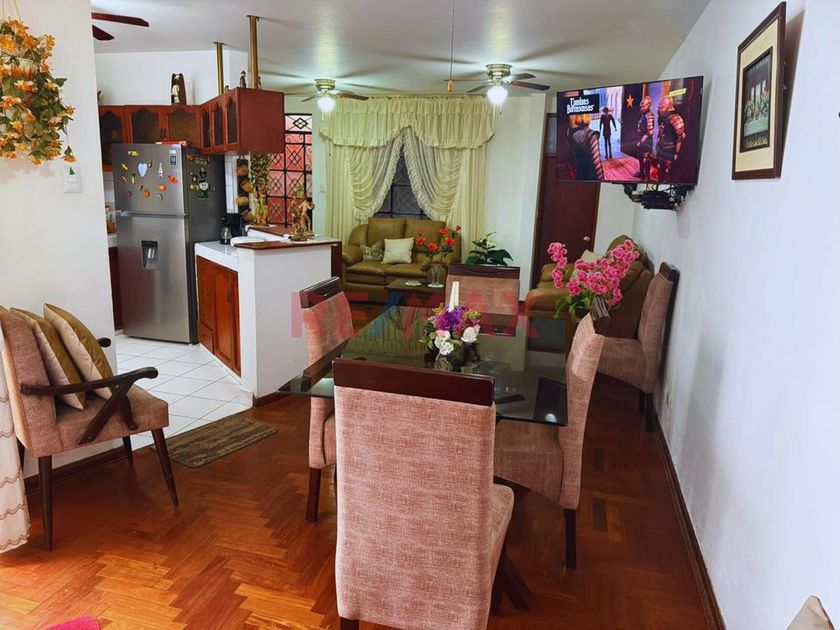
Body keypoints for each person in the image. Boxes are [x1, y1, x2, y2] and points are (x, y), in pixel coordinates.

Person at [654, 96, 686, 182]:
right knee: (660, 170)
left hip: (670, 152)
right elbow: (661, 134)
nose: (660, 105)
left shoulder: (675, 118)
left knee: (669, 174)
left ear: (669, 106)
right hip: (661, 150)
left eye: (663, 103)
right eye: (660, 103)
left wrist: (677, 153)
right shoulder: (661, 118)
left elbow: (681, 136)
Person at [566, 114, 604, 181]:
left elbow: (570, 160)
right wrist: (602, 180)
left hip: (579, 176)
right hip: (591, 176)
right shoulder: (591, 134)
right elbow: (597, 162)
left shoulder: (571, 134)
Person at [634, 96, 655, 179]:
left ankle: (647, 177)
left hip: (646, 142)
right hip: (641, 139)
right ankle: (641, 173)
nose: (641, 108)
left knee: (646, 159)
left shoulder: (649, 115)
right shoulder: (643, 115)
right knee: (640, 157)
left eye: (643, 106)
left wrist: (641, 141)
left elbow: (650, 132)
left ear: (648, 106)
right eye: (641, 106)